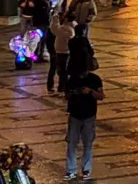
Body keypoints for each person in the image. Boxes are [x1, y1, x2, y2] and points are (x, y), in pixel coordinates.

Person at [64, 43, 104, 181]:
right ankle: (71, 170)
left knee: (88, 143)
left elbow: (101, 96)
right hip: (74, 115)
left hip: (89, 116)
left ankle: (86, 169)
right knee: (71, 143)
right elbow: (66, 95)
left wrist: (90, 92)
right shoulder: (72, 80)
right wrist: (74, 92)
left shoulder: (94, 79)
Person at [49, 12, 75, 94]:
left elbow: (54, 29)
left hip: (62, 52)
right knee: (63, 71)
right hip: (64, 52)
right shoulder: (72, 28)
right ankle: (62, 88)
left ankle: (63, 88)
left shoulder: (63, 29)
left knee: (62, 71)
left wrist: (55, 18)